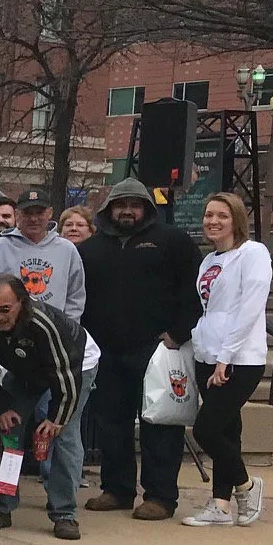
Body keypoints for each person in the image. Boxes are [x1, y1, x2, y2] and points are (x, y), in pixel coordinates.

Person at [78, 177, 202, 520]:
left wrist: (179, 333)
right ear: (109, 209)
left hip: (157, 350)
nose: (127, 211)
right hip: (106, 352)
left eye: (135, 205)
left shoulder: (173, 241)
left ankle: (161, 496)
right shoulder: (90, 248)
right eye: (121, 205)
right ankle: (117, 489)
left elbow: (195, 293)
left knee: (159, 424)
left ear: (146, 208)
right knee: (110, 423)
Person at [0, 277, 89, 539]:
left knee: (62, 435)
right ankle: (0, 505)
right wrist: (0, 409)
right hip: (22, 369)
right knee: (8, 431)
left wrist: (56, 418)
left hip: (75, 365)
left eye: (6, 309)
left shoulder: (43, 324)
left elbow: (65, 375)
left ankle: (64, 513)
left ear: (22, 303)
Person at [181, 192, 272, 527]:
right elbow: (209, 310)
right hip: (208, 353)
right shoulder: (209, 261)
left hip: (239, 358)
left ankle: (247, 485)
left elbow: (249, 308)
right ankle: (220, 505)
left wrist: (226, 357)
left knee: (206, 429)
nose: (213, 222)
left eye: (221, 215)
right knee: (227, 429)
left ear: (236, 220)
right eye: (208, 215)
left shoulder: (253, 254)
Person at [0, 188, 86, 320]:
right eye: (27, 213)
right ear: (17, 214)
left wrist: (69, 329)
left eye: (39, 212)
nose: (33, 219)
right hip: (9, 330)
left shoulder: (67, 250)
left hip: (54, 331)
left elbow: (75, 297)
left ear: (50, 213)